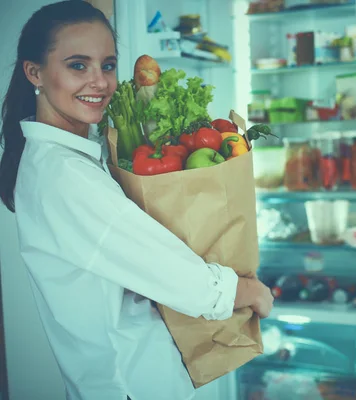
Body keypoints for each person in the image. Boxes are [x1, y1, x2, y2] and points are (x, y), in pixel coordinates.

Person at [0, 2, 273, 399]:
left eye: (107, 65)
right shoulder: (63, 175)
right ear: (34, 72)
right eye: (78, 65)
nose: (99, 82)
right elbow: (175, 276)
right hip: (130, 383)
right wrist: (251, 293)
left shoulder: (66, 159)